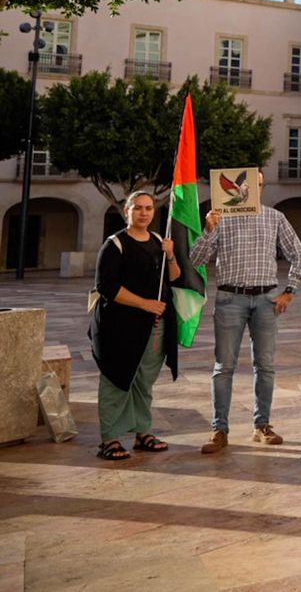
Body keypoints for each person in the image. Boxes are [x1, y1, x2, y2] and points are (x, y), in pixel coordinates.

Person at [195, 171, 301, 454]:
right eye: (247, 185)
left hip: (266, 301)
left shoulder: (275, 217)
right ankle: (219, 430)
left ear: (262, 187)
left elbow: (300, 256)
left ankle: (262, 426)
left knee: (265, 366)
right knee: (224, 367)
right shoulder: (220, 219)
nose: (251, 190)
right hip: (229, 299)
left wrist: (289, 291)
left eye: (257, 185)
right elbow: (196, 258)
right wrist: (208, 230)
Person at [90, 190, 180, 461]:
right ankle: (110, 439)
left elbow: (174, 277)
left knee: (144, 381)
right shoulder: (115, 244)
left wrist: (171, 255)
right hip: (119, 327)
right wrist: (145, 304)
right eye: (138, 207)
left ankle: (143, 433)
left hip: (154, 326)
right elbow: (106, 286)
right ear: (126, 210)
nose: (143, 213)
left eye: (148, 208)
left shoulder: (158, 241)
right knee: (117, 378)